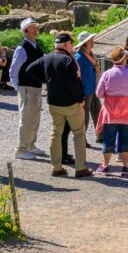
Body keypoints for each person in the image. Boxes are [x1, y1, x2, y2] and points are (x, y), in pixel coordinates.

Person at [34, 32, 93, 178]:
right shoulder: (68, 60)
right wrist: (80, 99)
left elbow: (29, 70)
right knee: (79, 133)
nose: (73, 46)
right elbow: (73, 84)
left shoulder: (46, 58)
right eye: (71, 43)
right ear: (66, 45)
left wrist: (48, 80)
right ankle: (80, 168)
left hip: (53, 102)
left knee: (56, 133)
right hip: (70, 103)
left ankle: (56, 167)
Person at [94, 48, 128, 176]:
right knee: (127, 140)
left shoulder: (106, 74)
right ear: (124, 59)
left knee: (108, 139)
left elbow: (99, 94)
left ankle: (105, 166)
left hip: (110, 114)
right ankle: (125, 166)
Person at [9, 18, 45, 156]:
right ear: (25, 31)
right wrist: (19, 89)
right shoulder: (21, 48)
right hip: (26, 87)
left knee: (35, 118)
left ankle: (30, 145)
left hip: (36, 87)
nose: (36, 29)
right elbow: (13, 71)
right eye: (32, 27)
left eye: (36, 27)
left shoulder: (36, 45)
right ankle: (20, 149)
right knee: (25, 119)